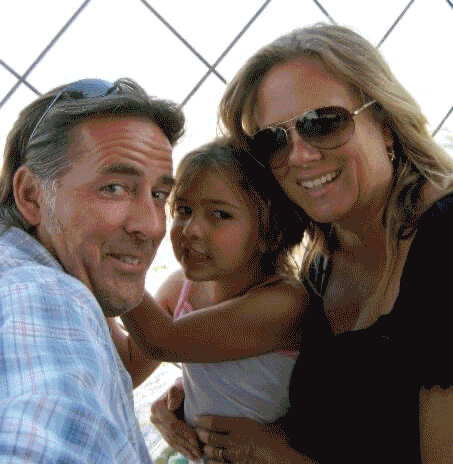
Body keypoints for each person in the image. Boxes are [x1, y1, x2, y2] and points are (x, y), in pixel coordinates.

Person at [152, 24, 453, 463]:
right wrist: (194, 401)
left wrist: (282, 456)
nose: (299, 155)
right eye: (272, 140)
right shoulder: (323, 255)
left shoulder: (443, 242)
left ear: (386, 124)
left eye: (324, 124)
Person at [0, 77, 184, 463]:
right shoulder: (47, 295)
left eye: (159, 195)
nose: (152, 226)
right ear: (31, 195)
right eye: (114, 188)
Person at [150, 139, 318, 463]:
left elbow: (162, 341)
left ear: (269, 232)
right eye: (183, 210)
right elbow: (128, 363)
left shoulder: (284, 302)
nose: (192, 229)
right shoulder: (181, 288)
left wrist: (112, 272)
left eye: (220, 214)